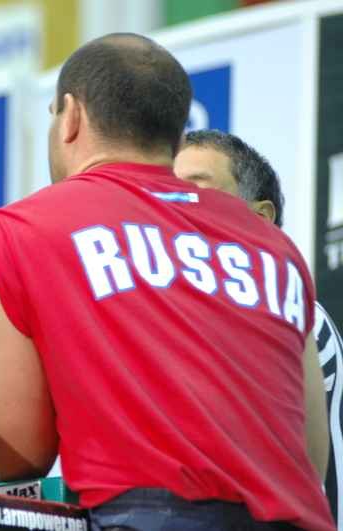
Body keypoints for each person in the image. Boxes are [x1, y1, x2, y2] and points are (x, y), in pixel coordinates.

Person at [0, 33, 334, 530]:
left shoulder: (25, 230)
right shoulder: (275, 247)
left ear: (70, 117)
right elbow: (308, 456)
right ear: (178, 138)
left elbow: (14, 453)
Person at [174, 129, 343, 528]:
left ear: (260, 219)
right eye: (167, 192)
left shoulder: (299, 320)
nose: (175, 206)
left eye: (197, 189)